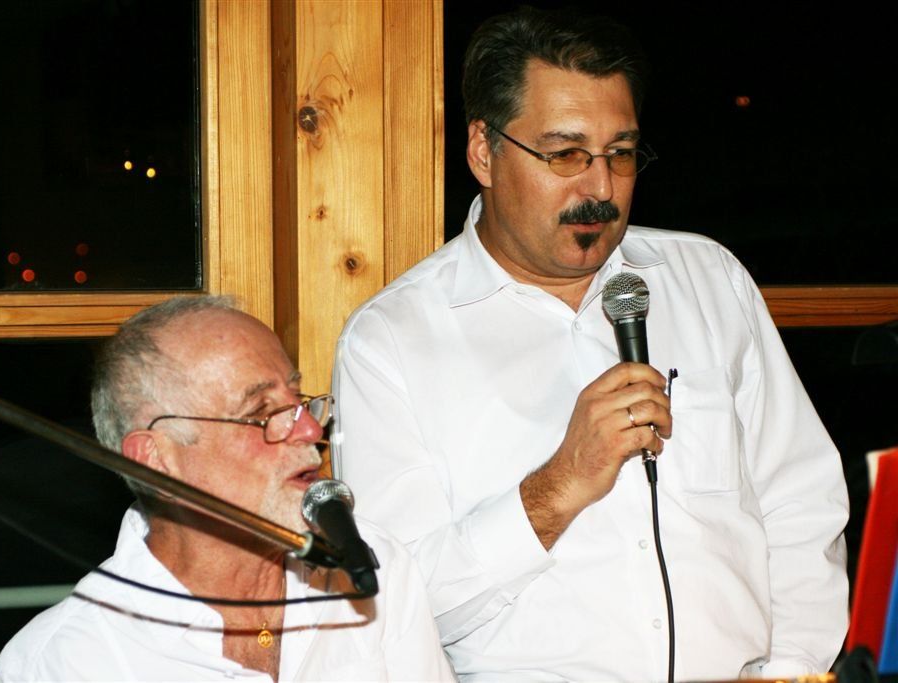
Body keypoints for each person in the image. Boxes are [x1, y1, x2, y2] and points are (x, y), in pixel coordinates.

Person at [331, 5, 849, 681]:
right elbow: (391, 604)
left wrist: (791, 669)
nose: (601, 188)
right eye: (566, 154)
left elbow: (802, 504)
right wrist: (557, 486)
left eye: (621, 153)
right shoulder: (390, 341)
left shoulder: (710, 280)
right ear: (484, 150)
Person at [0, 295, 455, 682]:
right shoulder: (63, 664)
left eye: (299, 400)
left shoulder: (373, 564)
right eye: (262, 413)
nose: (311, 430)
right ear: (156, 461)